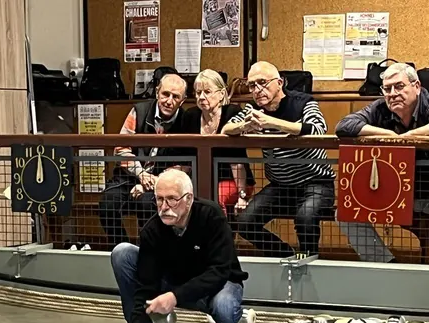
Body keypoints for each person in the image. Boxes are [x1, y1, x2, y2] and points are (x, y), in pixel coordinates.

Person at [335, 62, 429, 265]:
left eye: (399, 86)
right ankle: (386, 265)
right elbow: (344, 125)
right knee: (344, 212)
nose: (392, 93)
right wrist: (387, 134)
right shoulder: (379, 107)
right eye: (387, 89)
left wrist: (407, 136)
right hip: (396, 195)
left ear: (417, 86)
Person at [108, 168, 249, 323]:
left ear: (188, 199)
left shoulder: (211, 216)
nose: (164, 207)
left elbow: (220, 271)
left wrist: (174, 296)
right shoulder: (152, 230)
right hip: (174, 284)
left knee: (225, 304)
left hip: (216, 286)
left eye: (172, 199)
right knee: (122, 253)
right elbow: (144, 286)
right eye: (159, 199)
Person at [221, 61, 336, 258]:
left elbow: (318, 129)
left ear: (280, 83)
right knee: (246, 222)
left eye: (263, 83)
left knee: (305, 217)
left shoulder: (303, 102)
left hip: (316, 183)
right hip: (280, 185)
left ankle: (310, 262)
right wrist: (244, 126)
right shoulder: (253, 109)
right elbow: (226, 130)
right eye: (252, 85)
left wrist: (273, 123)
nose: (257, 90)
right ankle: (286, 255)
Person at [98, 74, 188, 250]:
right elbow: (122, 148)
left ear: (183, 100)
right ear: (157, 93)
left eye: (175, 96)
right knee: (107, 205)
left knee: (147, 204)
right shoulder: (138, 111)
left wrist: (153, 182)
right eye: (165, 94)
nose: (169, 101)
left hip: (163, 184)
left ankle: (148, 251)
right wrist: (141, 175)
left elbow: (184, 163)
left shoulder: (185, 121)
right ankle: (122, 249)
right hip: (128, 178)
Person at [180, 69, 255, 216]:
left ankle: (217, 237)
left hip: (234, 180)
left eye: (207, 92)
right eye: (198, 92)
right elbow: (185, 159)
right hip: (200, 179)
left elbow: (237, 162)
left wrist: (242, 196)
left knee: (214, 197)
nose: (201, 97)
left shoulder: (232, 113)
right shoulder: (190, 116)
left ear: (221, 94)